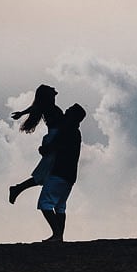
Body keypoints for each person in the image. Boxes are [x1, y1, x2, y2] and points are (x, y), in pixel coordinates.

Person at [35, 103, 85, 243]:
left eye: (68, 112)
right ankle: (59, 236)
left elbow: (55, 146)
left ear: (74, 117)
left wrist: (45, 149)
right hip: (70, 175)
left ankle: (57, 234)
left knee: (45, 203)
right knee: (60, 206)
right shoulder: (75, 132)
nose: (65, 112)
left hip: (59, 172)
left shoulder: (67, 130)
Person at [8, 99, 65, 204]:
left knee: (47, 173)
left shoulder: (50, 107)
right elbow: (36, 107)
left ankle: (18, 188)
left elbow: (36, 107)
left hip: (55, 138)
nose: (54, 90)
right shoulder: (48, 107)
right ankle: (18, 189)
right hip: (54, 138)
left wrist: (22, 113)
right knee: (45, 173)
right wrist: (22, 113)